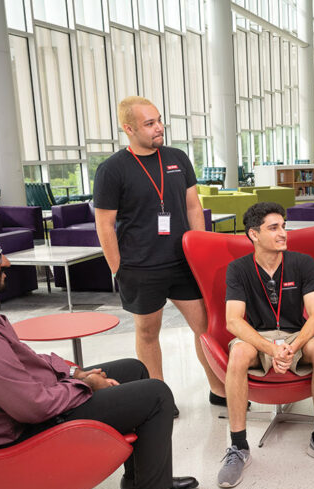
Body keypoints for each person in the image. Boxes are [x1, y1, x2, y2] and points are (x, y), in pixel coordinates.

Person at [0, 219, 204, 489]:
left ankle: (141, 481)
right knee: (156, 394)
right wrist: (86, 386)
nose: (6, 262)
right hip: (20, 431)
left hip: (18, 406)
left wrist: (73, 372)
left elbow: (25, 359)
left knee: (134, 369)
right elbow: (32, 407)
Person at [93, 95, 222, 411]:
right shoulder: (111, 170)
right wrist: (117, 269)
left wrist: (203, 256)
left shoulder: (178, 157)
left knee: (205, 328)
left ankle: (218, 388)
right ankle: (160, 398)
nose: (159, 128)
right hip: (140, 267)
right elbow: (105, 225)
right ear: (129, 128)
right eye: (149, 124)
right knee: (148, 333)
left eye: (159, 120)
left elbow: (194, 207)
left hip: (184, 263)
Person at [217, 202, 314, 488]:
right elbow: (233, 322)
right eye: (274, 228)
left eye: (284, 226)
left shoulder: (302, 263)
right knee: (239, 352)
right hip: (258, 337)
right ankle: (239, 446)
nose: (283, 233)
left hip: (295, 335)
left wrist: (292, 346)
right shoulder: (238, 269)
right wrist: (271, 349)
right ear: (254, 234)